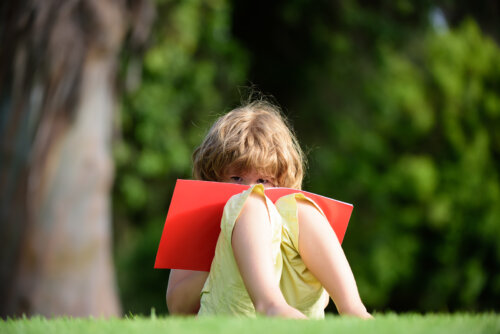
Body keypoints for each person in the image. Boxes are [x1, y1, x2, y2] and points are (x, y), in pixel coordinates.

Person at [166, 100, 372, 319]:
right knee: (251, 204)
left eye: (263, 180)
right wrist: (224, 250)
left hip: (299, 313)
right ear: (213, 177)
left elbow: (319, 294)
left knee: (302, 208)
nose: (250, 188)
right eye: (237, 178)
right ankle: (271, 305)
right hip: (231, 313)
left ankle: (353, 309)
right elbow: (177, 306)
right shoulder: (200, 219)